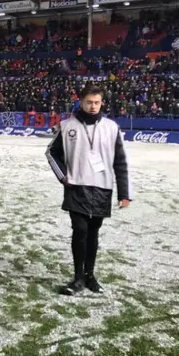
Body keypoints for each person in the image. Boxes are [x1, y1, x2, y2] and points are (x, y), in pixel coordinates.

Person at [46, 85, 132, 296]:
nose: (93, 106)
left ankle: (90, 275)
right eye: (89, 102)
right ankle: (77, 278)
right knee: (80, 230)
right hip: (77, 186)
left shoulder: (112, 128)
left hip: (102, 187)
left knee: (93, 233)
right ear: (81, 102)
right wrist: (64, 177)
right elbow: (51, 153)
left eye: (97, 102)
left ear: (101, 103)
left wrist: (124, 193)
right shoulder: (67, 126)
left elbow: (120, 162)